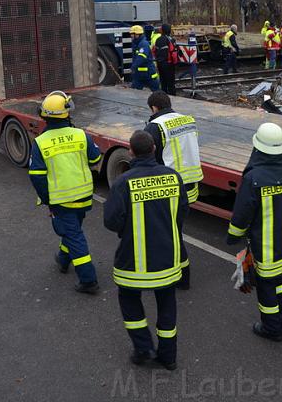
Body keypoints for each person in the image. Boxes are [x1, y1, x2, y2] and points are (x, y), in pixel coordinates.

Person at [104, 130, 188, 370]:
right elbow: (182, 212)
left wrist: (128, 229)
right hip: (168, 259)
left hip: (133, 262)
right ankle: (168, 356)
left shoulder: (123, 183)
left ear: (131, 152)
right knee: (167, 305)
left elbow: (110, 221)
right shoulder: (173, 177)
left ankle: (143, 348)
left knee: (129, 301)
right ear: (154, 149)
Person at [226, 122, 282, 341]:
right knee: (277, 277)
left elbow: (242, 213)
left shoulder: (254, 177)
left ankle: (271, 328)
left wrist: (233, 236)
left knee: (265, 286)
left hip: (265, 246)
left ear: (258, 148)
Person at [29, 91, 102, 294]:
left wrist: (48, 201)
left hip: (61, 200)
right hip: (84, 196)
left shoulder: (40, 142)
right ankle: (62, 259)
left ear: (44, 116)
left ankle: (88, 280)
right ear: (67, 114)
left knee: (74, 235)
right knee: (73, 228)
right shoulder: (81, 135)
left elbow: (37, 176)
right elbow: (96, 160)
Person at [144, 90, 203, 289]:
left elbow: (150, 157)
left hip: (171, 186)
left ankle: (181, 277)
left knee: (171, 234)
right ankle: (179, 273)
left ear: (154, 107)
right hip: (191, 183)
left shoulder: (155, 126)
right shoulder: (188, 119)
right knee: (175, 229)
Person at [130, 24, 160, 91]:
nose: (131, 36)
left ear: (137, 35)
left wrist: (133, 66)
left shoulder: (143, 44)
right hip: (140, 75)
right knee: (134, 93)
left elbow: (141, 57)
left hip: (148, 74)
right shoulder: (137, 43)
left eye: (132, 34)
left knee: (156, 92)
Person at [153, 23, 178, 95]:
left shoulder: (158, 39)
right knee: (171, 84)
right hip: (169, 64)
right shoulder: (171, 40)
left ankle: (164, 97)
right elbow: (174, 53)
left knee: (163, 83)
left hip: (160, 63)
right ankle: (173, 97)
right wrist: (175, 63)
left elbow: (154, 51)